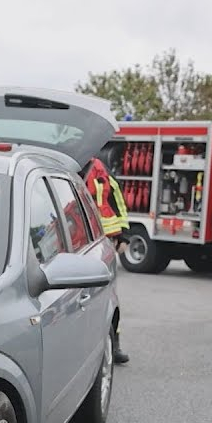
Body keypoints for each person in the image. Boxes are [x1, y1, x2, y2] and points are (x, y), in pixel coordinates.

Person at [82, 156, 131, 364]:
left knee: (108, 294)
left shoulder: (99, 167)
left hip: (104, 240)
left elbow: (117, 198)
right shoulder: (69, 165)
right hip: (78, 240)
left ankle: (112, 343)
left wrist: (124, 234)